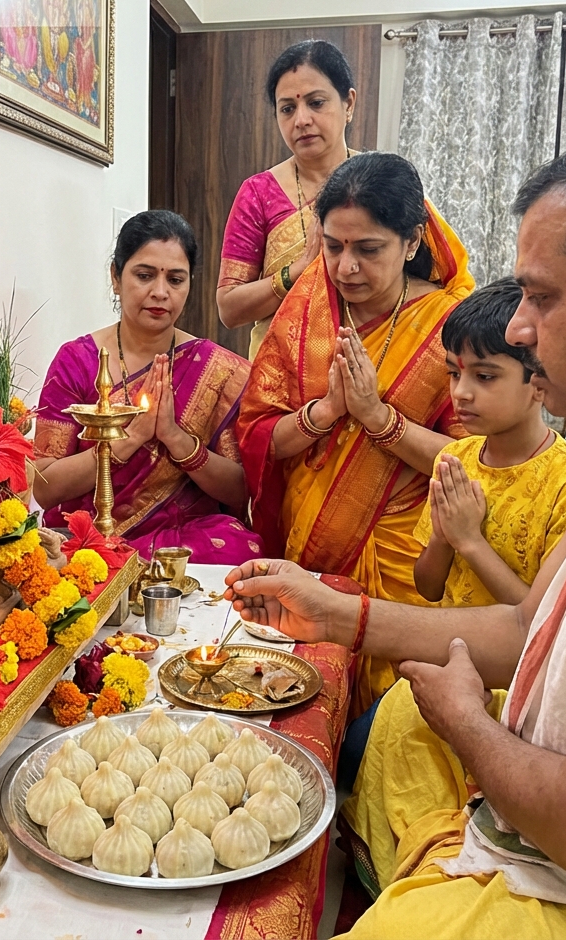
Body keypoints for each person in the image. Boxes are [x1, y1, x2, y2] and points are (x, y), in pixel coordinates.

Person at [225, 121, 566, 939]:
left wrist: (470, 723)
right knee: (394, 729)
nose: (518, 328)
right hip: (548, 823)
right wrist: (335, 616)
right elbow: (526, 625)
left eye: (542, 296)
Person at [237, 150, 473, 714]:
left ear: (412, 241)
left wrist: (379, 420)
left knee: (383, 729)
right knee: (295, 704)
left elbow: (475, 464)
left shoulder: (451, 324)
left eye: (368, 250)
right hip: (308, 550)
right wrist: (325, 413)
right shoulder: (305, 310)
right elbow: (258, 434)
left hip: (406, 567)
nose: (345, 268)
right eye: (333, 246)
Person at [33, 210, 264, 564]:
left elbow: (238, 491)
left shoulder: (217, 369)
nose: (160, 292)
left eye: (175, 280)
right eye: (144, 275)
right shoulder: (77, 361)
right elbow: (45, 488)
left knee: (243, 546)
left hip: (187, 534)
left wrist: (177, 439)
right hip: (92, 534)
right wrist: (128, 441)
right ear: (115, 276)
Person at [413, 278, 566, 607]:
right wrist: (442, 537)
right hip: (444, 647)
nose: (460, 392)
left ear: (539, 381)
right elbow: (428, 588)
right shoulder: (455, 460)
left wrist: (468, 540)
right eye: (454, 373)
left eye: (484, 377)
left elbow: (539, 619)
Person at [216, 39, 359, 358]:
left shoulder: (384, 181)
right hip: (277, 385)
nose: (301, 120)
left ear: (348, 103)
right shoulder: (258, 193)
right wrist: (296, 272)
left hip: (369, 374)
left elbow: (433, 279)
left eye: (316, 103)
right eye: (288, 108)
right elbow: (229, 307)